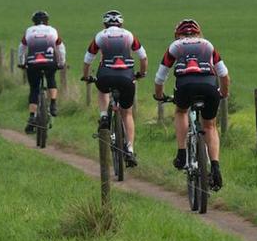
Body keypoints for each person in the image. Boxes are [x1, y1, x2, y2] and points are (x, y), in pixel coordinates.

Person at [153, 18, 231, 190]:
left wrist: (159, 95)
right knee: (210, 126)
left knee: (181, 111)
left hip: (185, 86)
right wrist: (223, 93)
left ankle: (182, 153)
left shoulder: (175, 46)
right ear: (198, 33)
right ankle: (215, 167)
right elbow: (224, 75)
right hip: (209, 87)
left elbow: (160, 77)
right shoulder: (208, 45)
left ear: (177, 34)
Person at [80, 10, 147, 167]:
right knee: (127, 113)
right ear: (121, 23)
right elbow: (143, 57)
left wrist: (86, 76)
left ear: (105, 24)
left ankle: (104, 116)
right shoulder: (129, 35)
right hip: (127, 77)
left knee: (102, 88)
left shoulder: (100, 35)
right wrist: (141, 73)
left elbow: (88, 59)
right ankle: (129, 149)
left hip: (106, 75)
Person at [18, 10, 65, 133]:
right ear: (47, 21)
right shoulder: (53, 30)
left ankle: (32, 116)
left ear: (33, 22)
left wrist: (22, 62)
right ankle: (53, 104)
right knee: (51, 79)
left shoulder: (29, 31)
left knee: (34, 88)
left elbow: (22, 48)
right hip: (49, 61)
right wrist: (61, 62)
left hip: (33, 62)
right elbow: (60, 47)